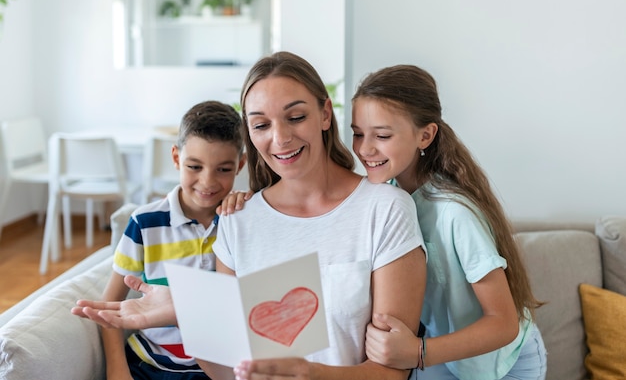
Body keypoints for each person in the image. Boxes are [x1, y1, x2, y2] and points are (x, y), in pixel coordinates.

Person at [72, 51, 427, 380]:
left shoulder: (385, 208)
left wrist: (311, 374)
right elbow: (226, 372)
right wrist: (188, 311)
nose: (281, 138)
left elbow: (391, 372)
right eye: (261, 125)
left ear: (324, 113)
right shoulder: (238, 220)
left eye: (296, 117)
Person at [350, 65, 547, 380]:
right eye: (358, 133)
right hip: (447, 354)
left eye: (382, 135)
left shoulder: (455, 213)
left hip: (501, 363)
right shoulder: (388, 193)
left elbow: (504, 322)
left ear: (425, 135)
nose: (364, 148)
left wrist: (417, 352)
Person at [98, 100, 246, 380]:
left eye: (223, 169)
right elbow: (110, 307)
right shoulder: (144, 224)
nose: (208, 182)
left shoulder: (242, 220)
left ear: (240, 164)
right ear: (176, 158)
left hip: (217, 368)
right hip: (148, 364)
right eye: (194, 166)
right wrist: (116, 370)